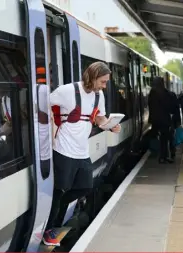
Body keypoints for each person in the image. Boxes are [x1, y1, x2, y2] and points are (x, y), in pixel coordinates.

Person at [42, 62, 121, 246]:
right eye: (102, 81)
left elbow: (99, 117)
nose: (104, 86)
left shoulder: (98, 95)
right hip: (63, 149)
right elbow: (42, 105)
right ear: (92, 77)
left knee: (85, 187)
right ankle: (50, 231)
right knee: (61, 190)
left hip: (82, 151)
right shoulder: (66, 91)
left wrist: (110, 126)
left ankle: (56, 217)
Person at [148, 77, 173, 164]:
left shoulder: (152, 92)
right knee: (164, 139)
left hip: (155, 120)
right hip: (164, 120)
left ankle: (155, 153)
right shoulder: (165, 92)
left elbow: (150, 106)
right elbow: (169, 106)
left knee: (154, 136)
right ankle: (163, 157)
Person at [168, 91, 181, 159]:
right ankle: (172, 151)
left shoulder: (165, 102)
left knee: (165, 138)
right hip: (172, 122)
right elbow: (177, 112)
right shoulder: (175, 103)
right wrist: (179, 122)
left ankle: (166, 154)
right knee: (171, 137)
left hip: (166, 122)